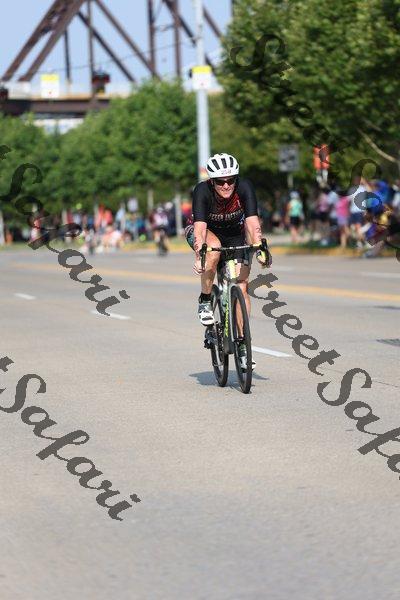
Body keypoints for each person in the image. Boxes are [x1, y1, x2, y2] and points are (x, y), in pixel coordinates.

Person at [185, 153, 272, 369]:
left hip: (234, 235)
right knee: (212, 253)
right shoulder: (202, 191)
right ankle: (205, 299)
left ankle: (242, 344)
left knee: (241, 286)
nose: (226, 185)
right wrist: (199, 255)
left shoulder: (245, 187)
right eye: (220, 181)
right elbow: (200, 229)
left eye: (230, 180)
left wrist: (260, 248)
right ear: (211, 181)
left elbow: (252, 223)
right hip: (207, 233)